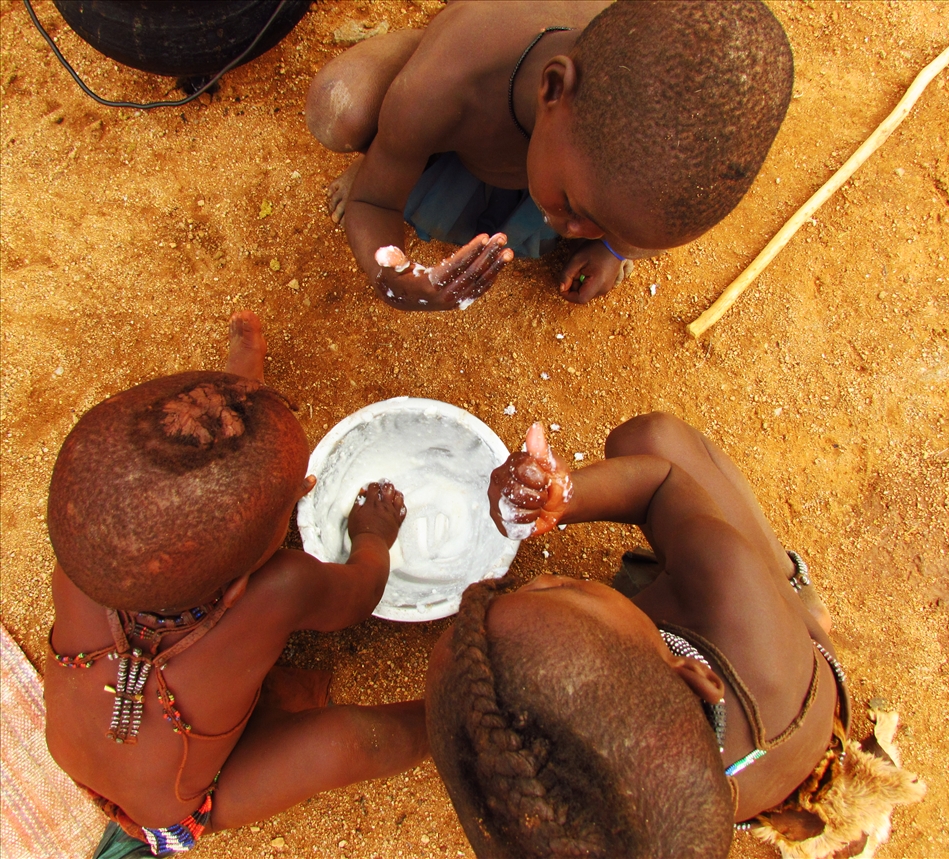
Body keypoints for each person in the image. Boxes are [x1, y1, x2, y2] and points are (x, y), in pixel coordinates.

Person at [426, 417, 925, 858]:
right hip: (771, 672)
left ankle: (789, 600)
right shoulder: (738, 601)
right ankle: (799, 599)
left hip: (740, 671)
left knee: (648, 441)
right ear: (690, 671)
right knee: (651, 440)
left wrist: (564, 497)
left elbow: (660, 486)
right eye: (562, 587)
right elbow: (661, 481)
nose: (539, 577)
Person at [44, 312, 429, 857]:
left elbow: (197, 475)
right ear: (236, 589)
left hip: (81, 753)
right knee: (346, 746)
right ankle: (448, 723)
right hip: (175, 813)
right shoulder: (281, 590)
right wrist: (373, 535)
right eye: (285, 508)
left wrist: (241, 379)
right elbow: (360, 593)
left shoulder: (90, 558)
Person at [306, 0, 793, 311]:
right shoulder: (447, 87)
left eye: (606, 225)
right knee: (342, 108)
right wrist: (395, 277)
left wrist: (616, 247)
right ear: (553, 89)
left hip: (560, 160)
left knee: (646, 216)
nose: (574, 231)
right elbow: (374, 205)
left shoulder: (635, 161)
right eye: (577, 211)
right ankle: (389, 152)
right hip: (462, 127)